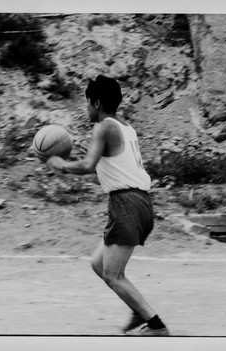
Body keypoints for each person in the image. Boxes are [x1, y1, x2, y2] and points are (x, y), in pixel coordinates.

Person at [46, 75, 169, 336]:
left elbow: (88, 165)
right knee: (98, 264)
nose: (87, 109)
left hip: (127, 204)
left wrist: (62, 165)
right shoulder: (125, 127)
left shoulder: (103, 127)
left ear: (97, 102)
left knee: (113, 275)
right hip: (140, 202)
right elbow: (110, 160)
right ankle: (138, 309)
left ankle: (156, 326)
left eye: (88, 103)